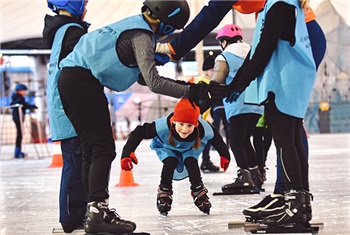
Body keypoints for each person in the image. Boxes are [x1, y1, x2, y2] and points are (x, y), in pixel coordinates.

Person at [57, 0, 230, 234]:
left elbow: (140, 76)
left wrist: (186, 87)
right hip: (83, 82)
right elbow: (153, 82)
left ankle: (93, 212)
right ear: (169, 25)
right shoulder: (142, 36)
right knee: (103, 148)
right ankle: (98, 212)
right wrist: (192, 90)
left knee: (90, 147)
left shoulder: (130, 26)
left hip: (68, 79)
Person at [225, 0, 320, 226]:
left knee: (285, 141)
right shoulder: (283, 4)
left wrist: (240, 82)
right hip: (292, 78)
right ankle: (300, 202)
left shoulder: (280, 5)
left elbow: (263, 50)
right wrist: (240, 81)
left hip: (285, 81)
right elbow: (260, 47)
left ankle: (294, 203)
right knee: (293, 139)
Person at [120, 98, 230, 215]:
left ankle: (198, 190)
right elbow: (139, 132)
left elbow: (216, 138)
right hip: (167, 146)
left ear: (196, 124)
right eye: (181, 124)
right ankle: (164, 190)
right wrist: (127, 152)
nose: (184, 129)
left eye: (189, 125)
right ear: (174, 121)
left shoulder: (203, 128)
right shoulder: (162, 127)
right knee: (170, 161)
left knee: (191, 161)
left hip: (190, 147)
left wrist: (224, 154)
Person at [43, 0, 89, 232]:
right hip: (71, 108)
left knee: (76, 161)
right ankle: (72, 218)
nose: (87, 6)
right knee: (76, 162)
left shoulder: (60, 30)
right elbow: (80, 70)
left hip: (64, 105)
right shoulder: (73, 31)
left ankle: (75, 214)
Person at [208, 24, 264, 193]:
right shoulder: (253, 53)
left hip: (237, 105)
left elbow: (216, 83)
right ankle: (256, 177)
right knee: (246, 140)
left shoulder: (224, 57)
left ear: (224, 41)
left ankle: (244, 178)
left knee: (237, 142)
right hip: (256, 105)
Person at [197, 55, 221, 172]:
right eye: (212, 70)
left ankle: (205, 161)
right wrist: (208, 117)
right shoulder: (203, 83)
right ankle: (204, 161)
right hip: (201, 117)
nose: (214, 73)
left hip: (203, 117)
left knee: (206, 139)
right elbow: (203, 102)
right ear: (206, 71)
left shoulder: (208, 82)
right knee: (203, 140)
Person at [10, 83, 37, 158]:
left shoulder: (16, 97)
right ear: (19, 91)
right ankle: (17, 152)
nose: (25, 93)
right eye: (24, 91)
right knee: (20, 134)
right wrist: (32, 106)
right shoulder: (19, 98)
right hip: (18, 117)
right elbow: (23, 105)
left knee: (20, 133)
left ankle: (18, 151)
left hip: (18, 117)